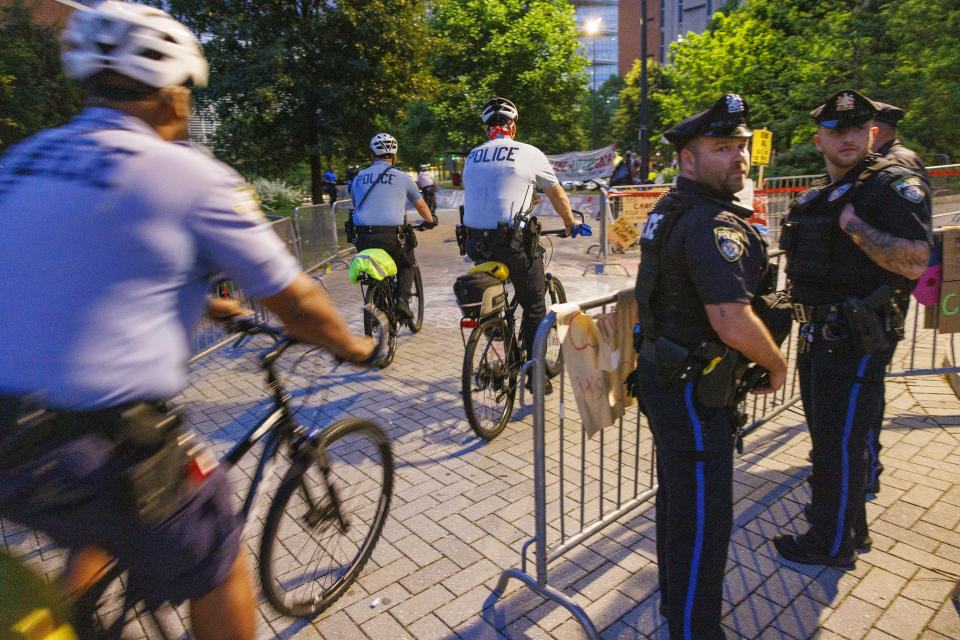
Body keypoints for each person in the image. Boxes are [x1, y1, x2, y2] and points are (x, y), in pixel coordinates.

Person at [0, 4, 375, 640]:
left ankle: (61, 622)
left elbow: (86, 266)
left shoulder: (22, 163)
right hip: (101, 442)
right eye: (187, 95)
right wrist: (352, 345)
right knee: (221, 559)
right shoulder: (188, 174)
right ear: (169, 93)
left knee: (101, 529)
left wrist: (206, 302)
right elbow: (296, 302)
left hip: (12, 441)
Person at [630, 93, 787, 640]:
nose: (738, 158)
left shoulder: (672, 210)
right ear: (688, 160)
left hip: (667, 375)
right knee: (702, 520)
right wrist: (777, 362)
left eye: (741, 146)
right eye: (722, 148)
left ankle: (678, 607)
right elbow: (731, 320)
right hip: (695, 390)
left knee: (679, 503)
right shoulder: (710, 223)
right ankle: (696, 629)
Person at [774, 89, 931, 568]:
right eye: (838, 130)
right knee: (830, 439)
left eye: (858, 129)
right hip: (819, 336)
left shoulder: (889, 185)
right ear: (819, 139)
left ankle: (829, 543)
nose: (849, 138)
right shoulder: (822, 194)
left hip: (858, 338)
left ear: (872, 133)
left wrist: (855, 228)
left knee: (840, 444)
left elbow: (914, 260)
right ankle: (849, 527)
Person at [461, 96, 576, 366]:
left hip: (476, 243)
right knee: (534, 304)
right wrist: (570, 222)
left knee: (493, 295)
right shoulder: (529, 152)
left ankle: (497, 332)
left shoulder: (471, 156)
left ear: (487, 129)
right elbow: (556, 193)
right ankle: (536, 373)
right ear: (513, 127)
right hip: (512, 243)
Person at [862, 100, 931, 495]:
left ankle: (867, 462)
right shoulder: (895, 160)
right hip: (879, 293)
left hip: (881, 294)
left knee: (869, 378)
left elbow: (910, 246)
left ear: (875, 128)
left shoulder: (897, 167)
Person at [351, 133, 435, 322]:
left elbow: (356, 206)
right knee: (407, 263)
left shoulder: (358, 178)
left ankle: (379, 300)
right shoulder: (403, 178)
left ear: (371, 156)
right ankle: (402, 302)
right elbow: (422, 207)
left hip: (363, 237)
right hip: (391, 236)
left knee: (376, 266)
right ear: (394, 157)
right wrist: (430, 220)